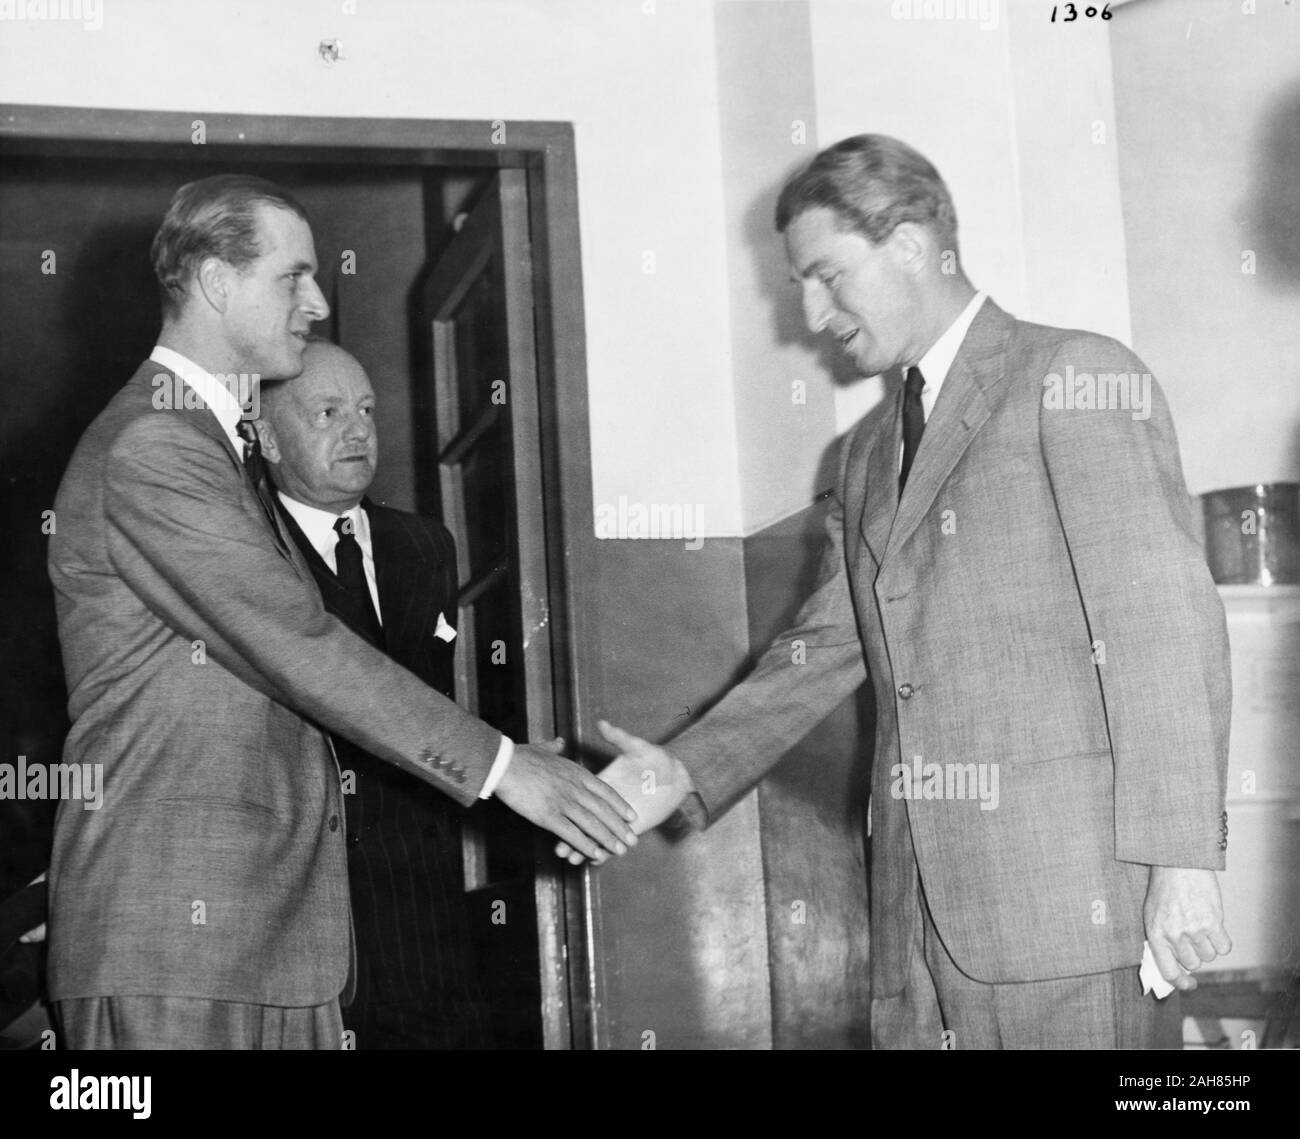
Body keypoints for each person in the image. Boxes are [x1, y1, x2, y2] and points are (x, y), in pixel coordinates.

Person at [562, 135, 1233, 1049]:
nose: (808, 310)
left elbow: (1162, 632)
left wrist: (1183, 860)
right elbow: (828, 641)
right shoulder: (867, 453)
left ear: (912, 245)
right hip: (914, 928)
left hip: (1072, 908)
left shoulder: (1073, 377)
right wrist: (685, 765)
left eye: (826, 275)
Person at [46, 174, 635, 1050]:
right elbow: (296, 640)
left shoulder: (217, 445)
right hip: (177, 941)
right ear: (215, 282)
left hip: (273, 945)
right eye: (294, 277)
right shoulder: (155, 443)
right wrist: (502, 766)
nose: (317, 301)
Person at [255, 340, 492, 1048]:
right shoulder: (244, 553)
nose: (357, 430)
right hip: (315, 917)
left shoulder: (425, 545)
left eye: (365, 409)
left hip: (432, 903)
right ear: (265, 436)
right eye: (327, 412)